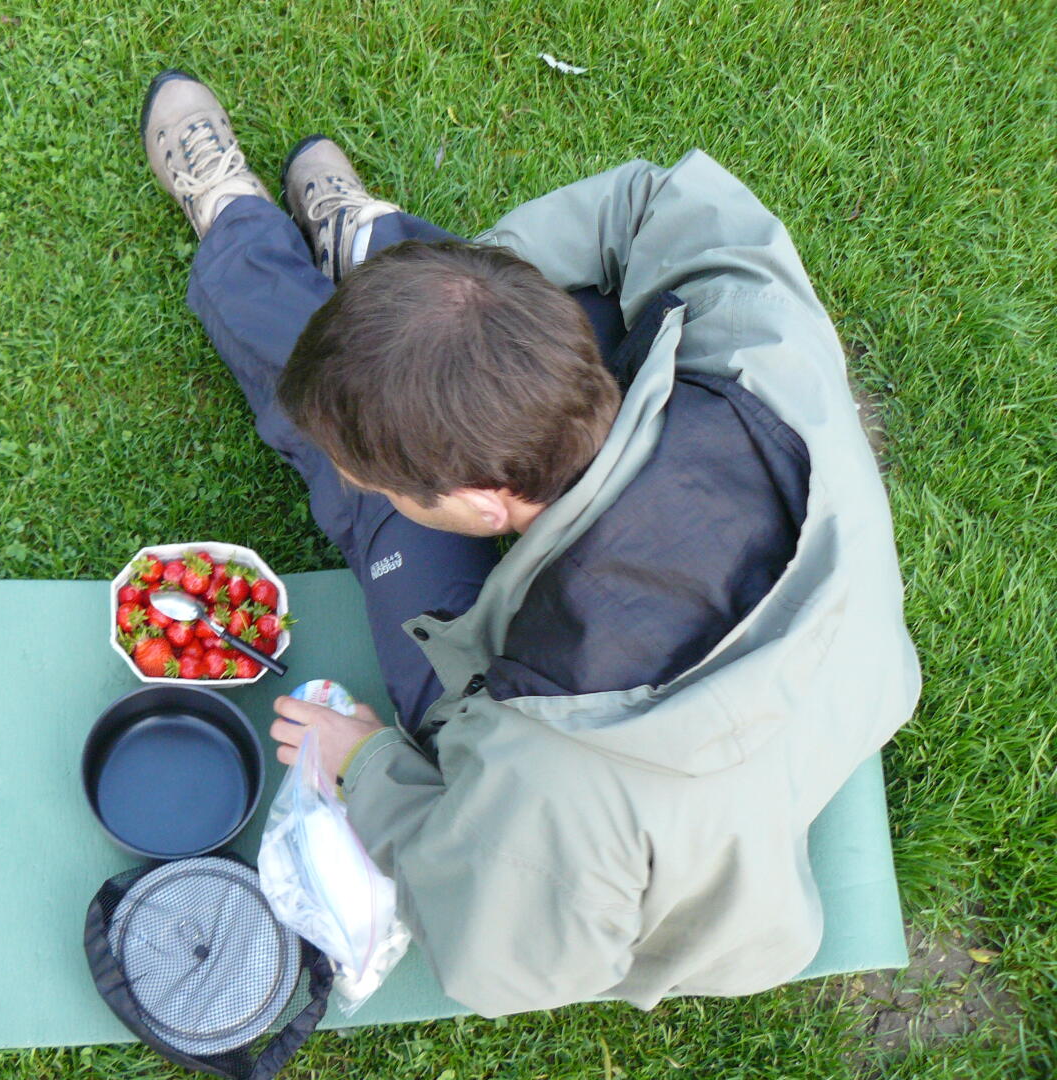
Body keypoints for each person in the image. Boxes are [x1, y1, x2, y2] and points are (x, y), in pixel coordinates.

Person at [140, 69, 921, 1014]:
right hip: (816, 665)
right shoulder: (759, 338)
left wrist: (370, 763)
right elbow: (653, 201)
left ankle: (239, 236)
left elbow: (495, 965)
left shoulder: (542, 773)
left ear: (479, 503)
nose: (359, 473)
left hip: (603, 774)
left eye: (378, 471)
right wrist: (473, 281)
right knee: (452, 345)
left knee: (377, 511)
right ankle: (377, 253)